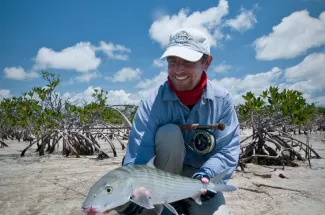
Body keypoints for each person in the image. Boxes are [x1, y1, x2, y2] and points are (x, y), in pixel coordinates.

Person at [116, 27, 240, 215]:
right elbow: (139, 154)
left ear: (206, 62)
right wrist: (135, 188)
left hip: (198, 178)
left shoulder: (223, 101)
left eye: (187, 62)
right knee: (169, 133)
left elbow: (227, 150)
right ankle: (166, 205)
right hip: (159, 180)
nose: (178, 70)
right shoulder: (151, 102)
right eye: (172, 62)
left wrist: (207, 176)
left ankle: (187, 199)